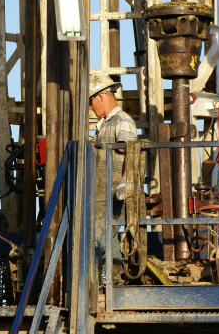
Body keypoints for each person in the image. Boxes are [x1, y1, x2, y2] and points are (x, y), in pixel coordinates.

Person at [88, 74, 137, 284]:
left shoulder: (123, 122)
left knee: (97, 239)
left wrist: (125, 179)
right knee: (110, 241)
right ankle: (116, 284)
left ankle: (97, 287)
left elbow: (131, 151)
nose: (90, 108)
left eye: (91, 102)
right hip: (101, 195)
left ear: (101, 96)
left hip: (113, 194)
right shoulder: (104, 125)